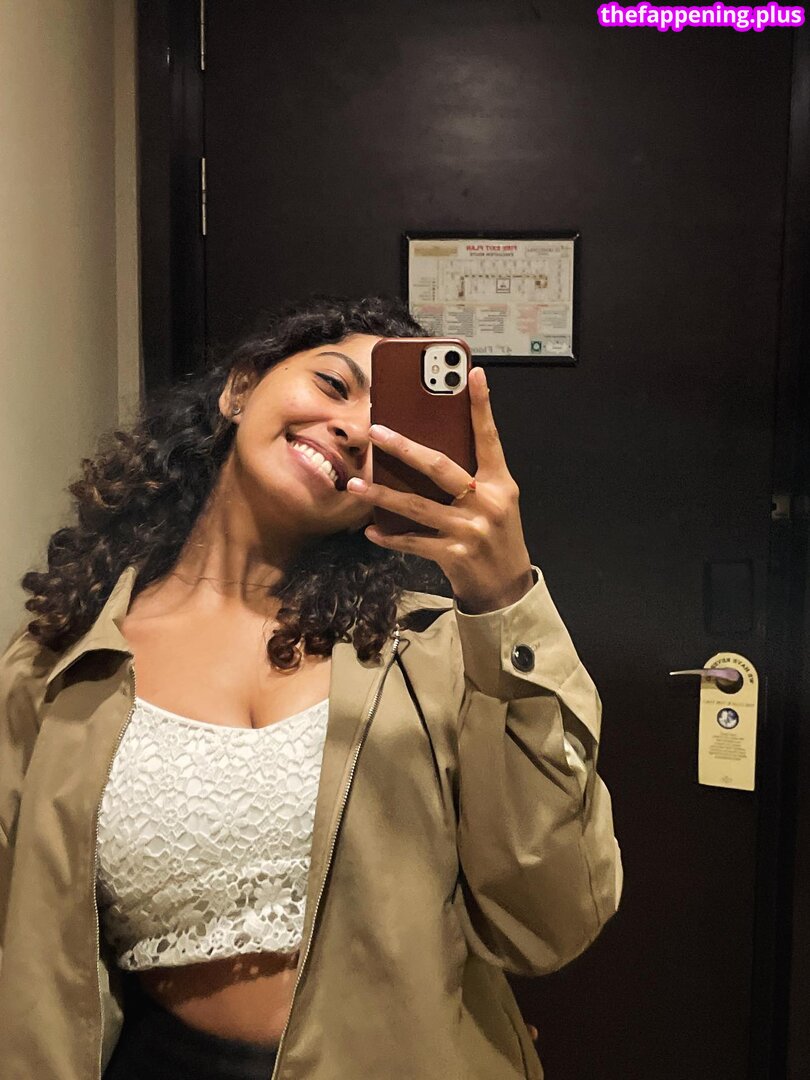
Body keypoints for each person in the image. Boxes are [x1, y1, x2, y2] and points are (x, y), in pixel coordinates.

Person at [0, 296, 622, 1080]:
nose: (355, 428)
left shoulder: (433, 655)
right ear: (240, 389)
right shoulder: (62, 663)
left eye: (385, 422)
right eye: (334, 385)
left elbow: (551, 921)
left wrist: (504, 600)